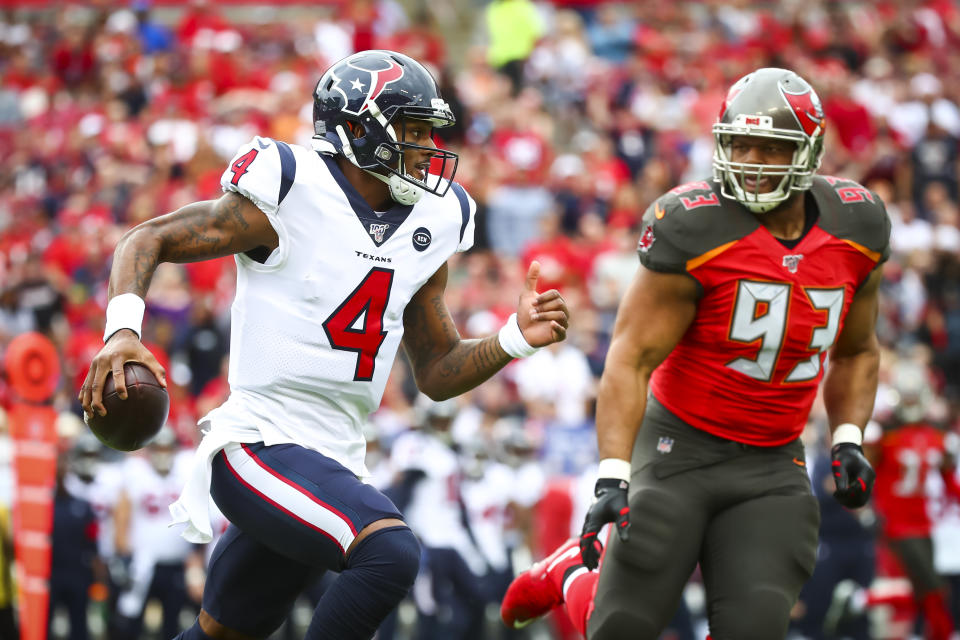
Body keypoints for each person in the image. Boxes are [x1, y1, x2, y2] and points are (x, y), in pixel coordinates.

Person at [79, 49, 569, 640]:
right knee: (389, 553)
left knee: (225, 632)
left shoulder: (432, 220)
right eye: (412, 131)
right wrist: (122, 331)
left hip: (334, 458)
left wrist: (513, 340)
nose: (426, 149)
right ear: (359, 129)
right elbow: (148, 238)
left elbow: (437, 371)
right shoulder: (289, 186)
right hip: (259, 443)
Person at [501, 67, 890, 639]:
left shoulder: (857, 226)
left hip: (771, 462)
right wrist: (612, 477)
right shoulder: (695, 226)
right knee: (621, 628)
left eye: (770, 148)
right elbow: (631, 357)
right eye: (740, 143)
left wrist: (848, 437)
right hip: (676, 449)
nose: (751, 161)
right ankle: (574, 578)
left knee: (754, 626)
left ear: (810, 152)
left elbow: (857, 351)